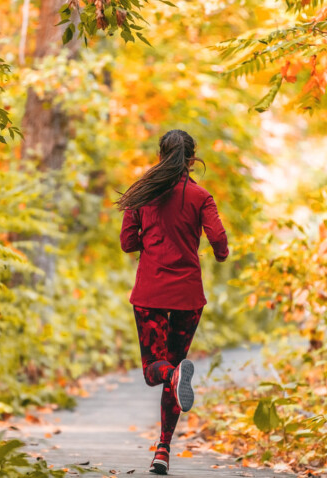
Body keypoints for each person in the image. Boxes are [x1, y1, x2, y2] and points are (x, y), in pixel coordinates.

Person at [117, 129, 229, 475]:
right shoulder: (201, 196)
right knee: (175, 369)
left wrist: (148, 243)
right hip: (187, 295)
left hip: (151, 293)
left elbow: (126, 242)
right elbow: (219, 239)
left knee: (156, 371)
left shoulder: (142, 194)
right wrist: (220, 254)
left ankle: (174, 373)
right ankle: (162, 449)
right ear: (191, 159)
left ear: (160, 155)